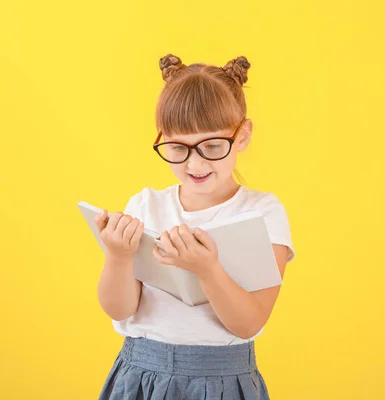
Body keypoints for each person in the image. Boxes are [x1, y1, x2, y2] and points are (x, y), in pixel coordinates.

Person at [93, 53, 296, 400]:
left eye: (213, 145)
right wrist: (118, 256)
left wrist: (207, 268)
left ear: (242, 135)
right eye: (177, 147)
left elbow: (249, 323)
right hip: (140, 376)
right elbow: (119, 309)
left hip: (222, 382)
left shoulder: (262, 212)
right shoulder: (145, 205)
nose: (195, 162)